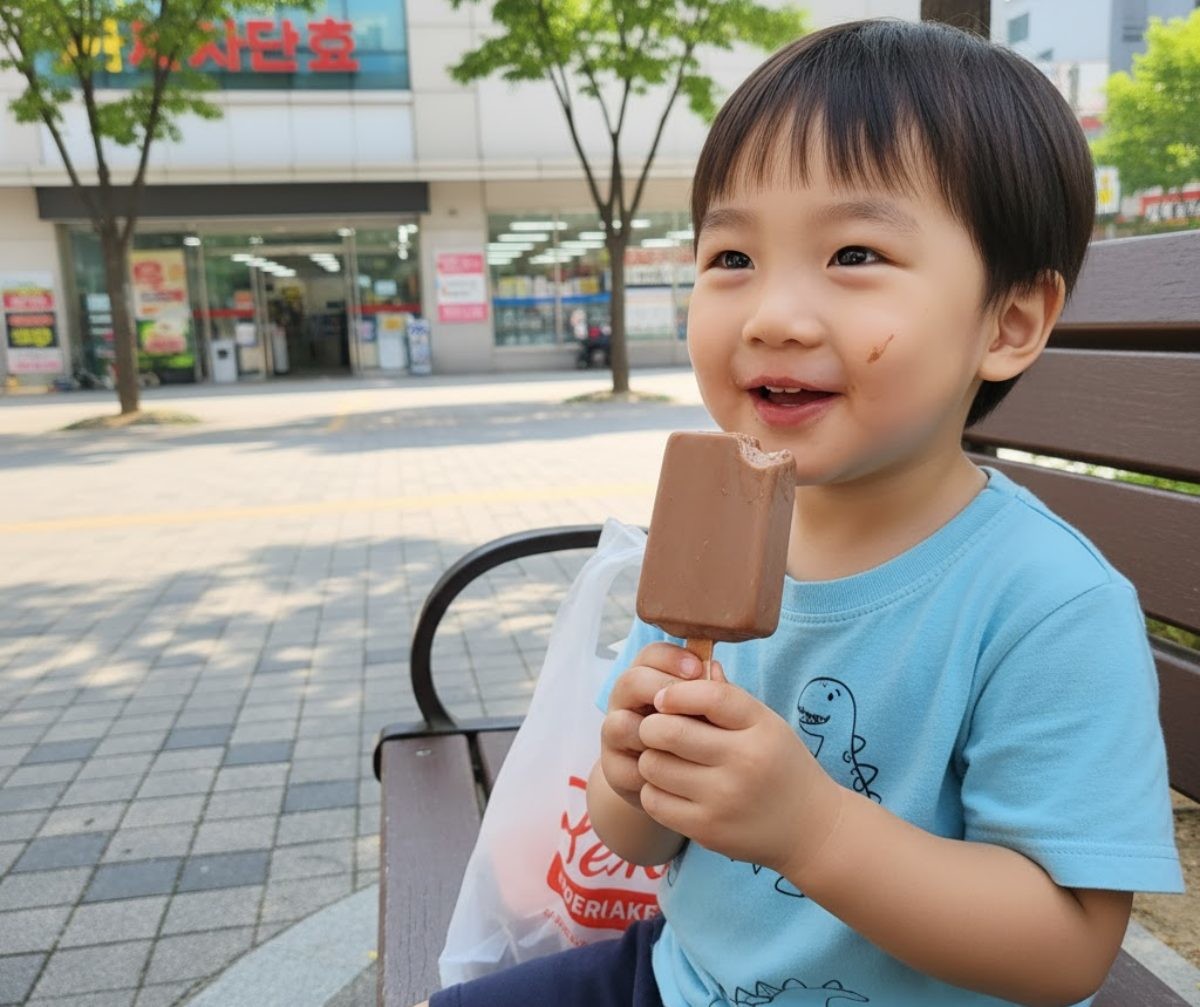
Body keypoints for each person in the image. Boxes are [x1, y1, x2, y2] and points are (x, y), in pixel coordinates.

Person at [419, 17, 1184, 1007]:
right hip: (684, 973)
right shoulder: (708, 557)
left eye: (854, 251)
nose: (771, 312)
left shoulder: (1045, 602)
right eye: (731, 256)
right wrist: (630, 772)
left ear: (1009, 321)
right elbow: (638, 835)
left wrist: (810, 828)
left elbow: (1066, 945)